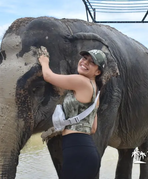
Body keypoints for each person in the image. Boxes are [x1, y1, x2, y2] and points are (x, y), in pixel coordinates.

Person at [38, 47, 107, 179]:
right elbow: (92, 128)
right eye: (84, 58)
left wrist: (44, 61)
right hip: (86, 151)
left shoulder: (80, 81)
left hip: (77, 151)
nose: (85, 62)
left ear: (98, 71)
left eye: (92, 62)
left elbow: (48, 76)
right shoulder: (95, 94)